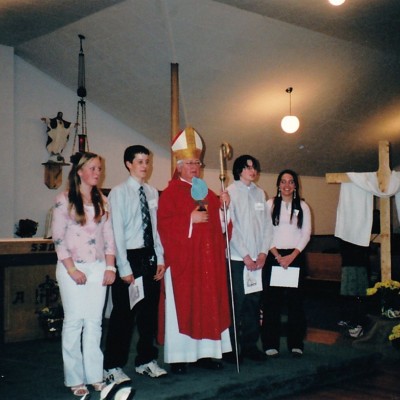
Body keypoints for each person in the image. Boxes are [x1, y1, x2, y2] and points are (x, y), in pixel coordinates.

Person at [157, 126, 232, 374]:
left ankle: (207, 355)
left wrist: (223, 208)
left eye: (197, 162)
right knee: (185, 306)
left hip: (207, 265)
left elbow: (221, 228)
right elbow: (163, 227)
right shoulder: (169, 193)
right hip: (185, 265)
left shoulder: (206, 192)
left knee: (208, 304)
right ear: (178, 165)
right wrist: (188, 220)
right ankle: (180, 357)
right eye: (189, 162)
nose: (194, 166)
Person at [52, 151, 116, 397]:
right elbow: (58, 240)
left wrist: (110, 267)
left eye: (99, 168)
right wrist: (72, 269)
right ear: (79, 171)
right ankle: (74, 379)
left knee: (94, 323)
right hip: (72, 267)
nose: (97, 173)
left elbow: (109, 237)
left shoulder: (103, 200)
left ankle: (94, 376)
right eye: (92, 168)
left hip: (98, 266)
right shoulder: (64, 199)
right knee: (73, 322)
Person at [103, 145, 167, 384]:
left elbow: (155, 228)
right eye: (139, 161)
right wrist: (124, 267)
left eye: (147, 161)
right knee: (123, 315)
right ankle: (112, 366)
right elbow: (116, 232)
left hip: (149, 256)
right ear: (129, 164)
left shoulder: (151, 192)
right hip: (128, 257)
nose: (144, 166)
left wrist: (160, 258)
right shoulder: (119, 193)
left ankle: (145, 361)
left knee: (149, 314)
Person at [224, 155, 272, 363]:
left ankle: (251, 345)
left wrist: (262, 253)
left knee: (254, 302)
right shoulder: (229, 193)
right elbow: (231, 228)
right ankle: (232, 349)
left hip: (257, 259)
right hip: (237, 258)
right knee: (237, 303)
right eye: (248, 167)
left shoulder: (260, 193)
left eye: (254, 167)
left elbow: (267, 226)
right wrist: (245, 256)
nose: (252, 171)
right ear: (239, 170)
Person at [261, 169, 311, 358]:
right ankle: (270, 343)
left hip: (295, 257)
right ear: (278, 185)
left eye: (291, 182)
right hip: (274, 257)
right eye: (283, 182)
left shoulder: (303, 207)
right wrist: (277, 255)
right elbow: (265, 232)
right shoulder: (270, 204)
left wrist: (292, 256)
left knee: (295, 304)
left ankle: (296, 343)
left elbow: (306, 234)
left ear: (296, 185)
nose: (287, 186)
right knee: (271, 303)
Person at [337, 239, 370, 338]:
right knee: (348, 293)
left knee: (358, 294)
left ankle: (359, 324)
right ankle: (350, 319)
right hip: (348, 261)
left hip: (359, 263)